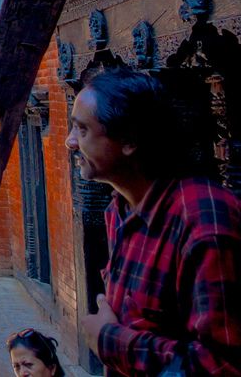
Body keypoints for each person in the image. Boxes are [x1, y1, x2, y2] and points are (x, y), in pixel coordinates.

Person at [65, 66, 241, 375]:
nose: (70, 142)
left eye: (83, 130)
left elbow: (222, 365)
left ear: (129, 140)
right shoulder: (120, 210)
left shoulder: (203, 220)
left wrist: (111, 341)